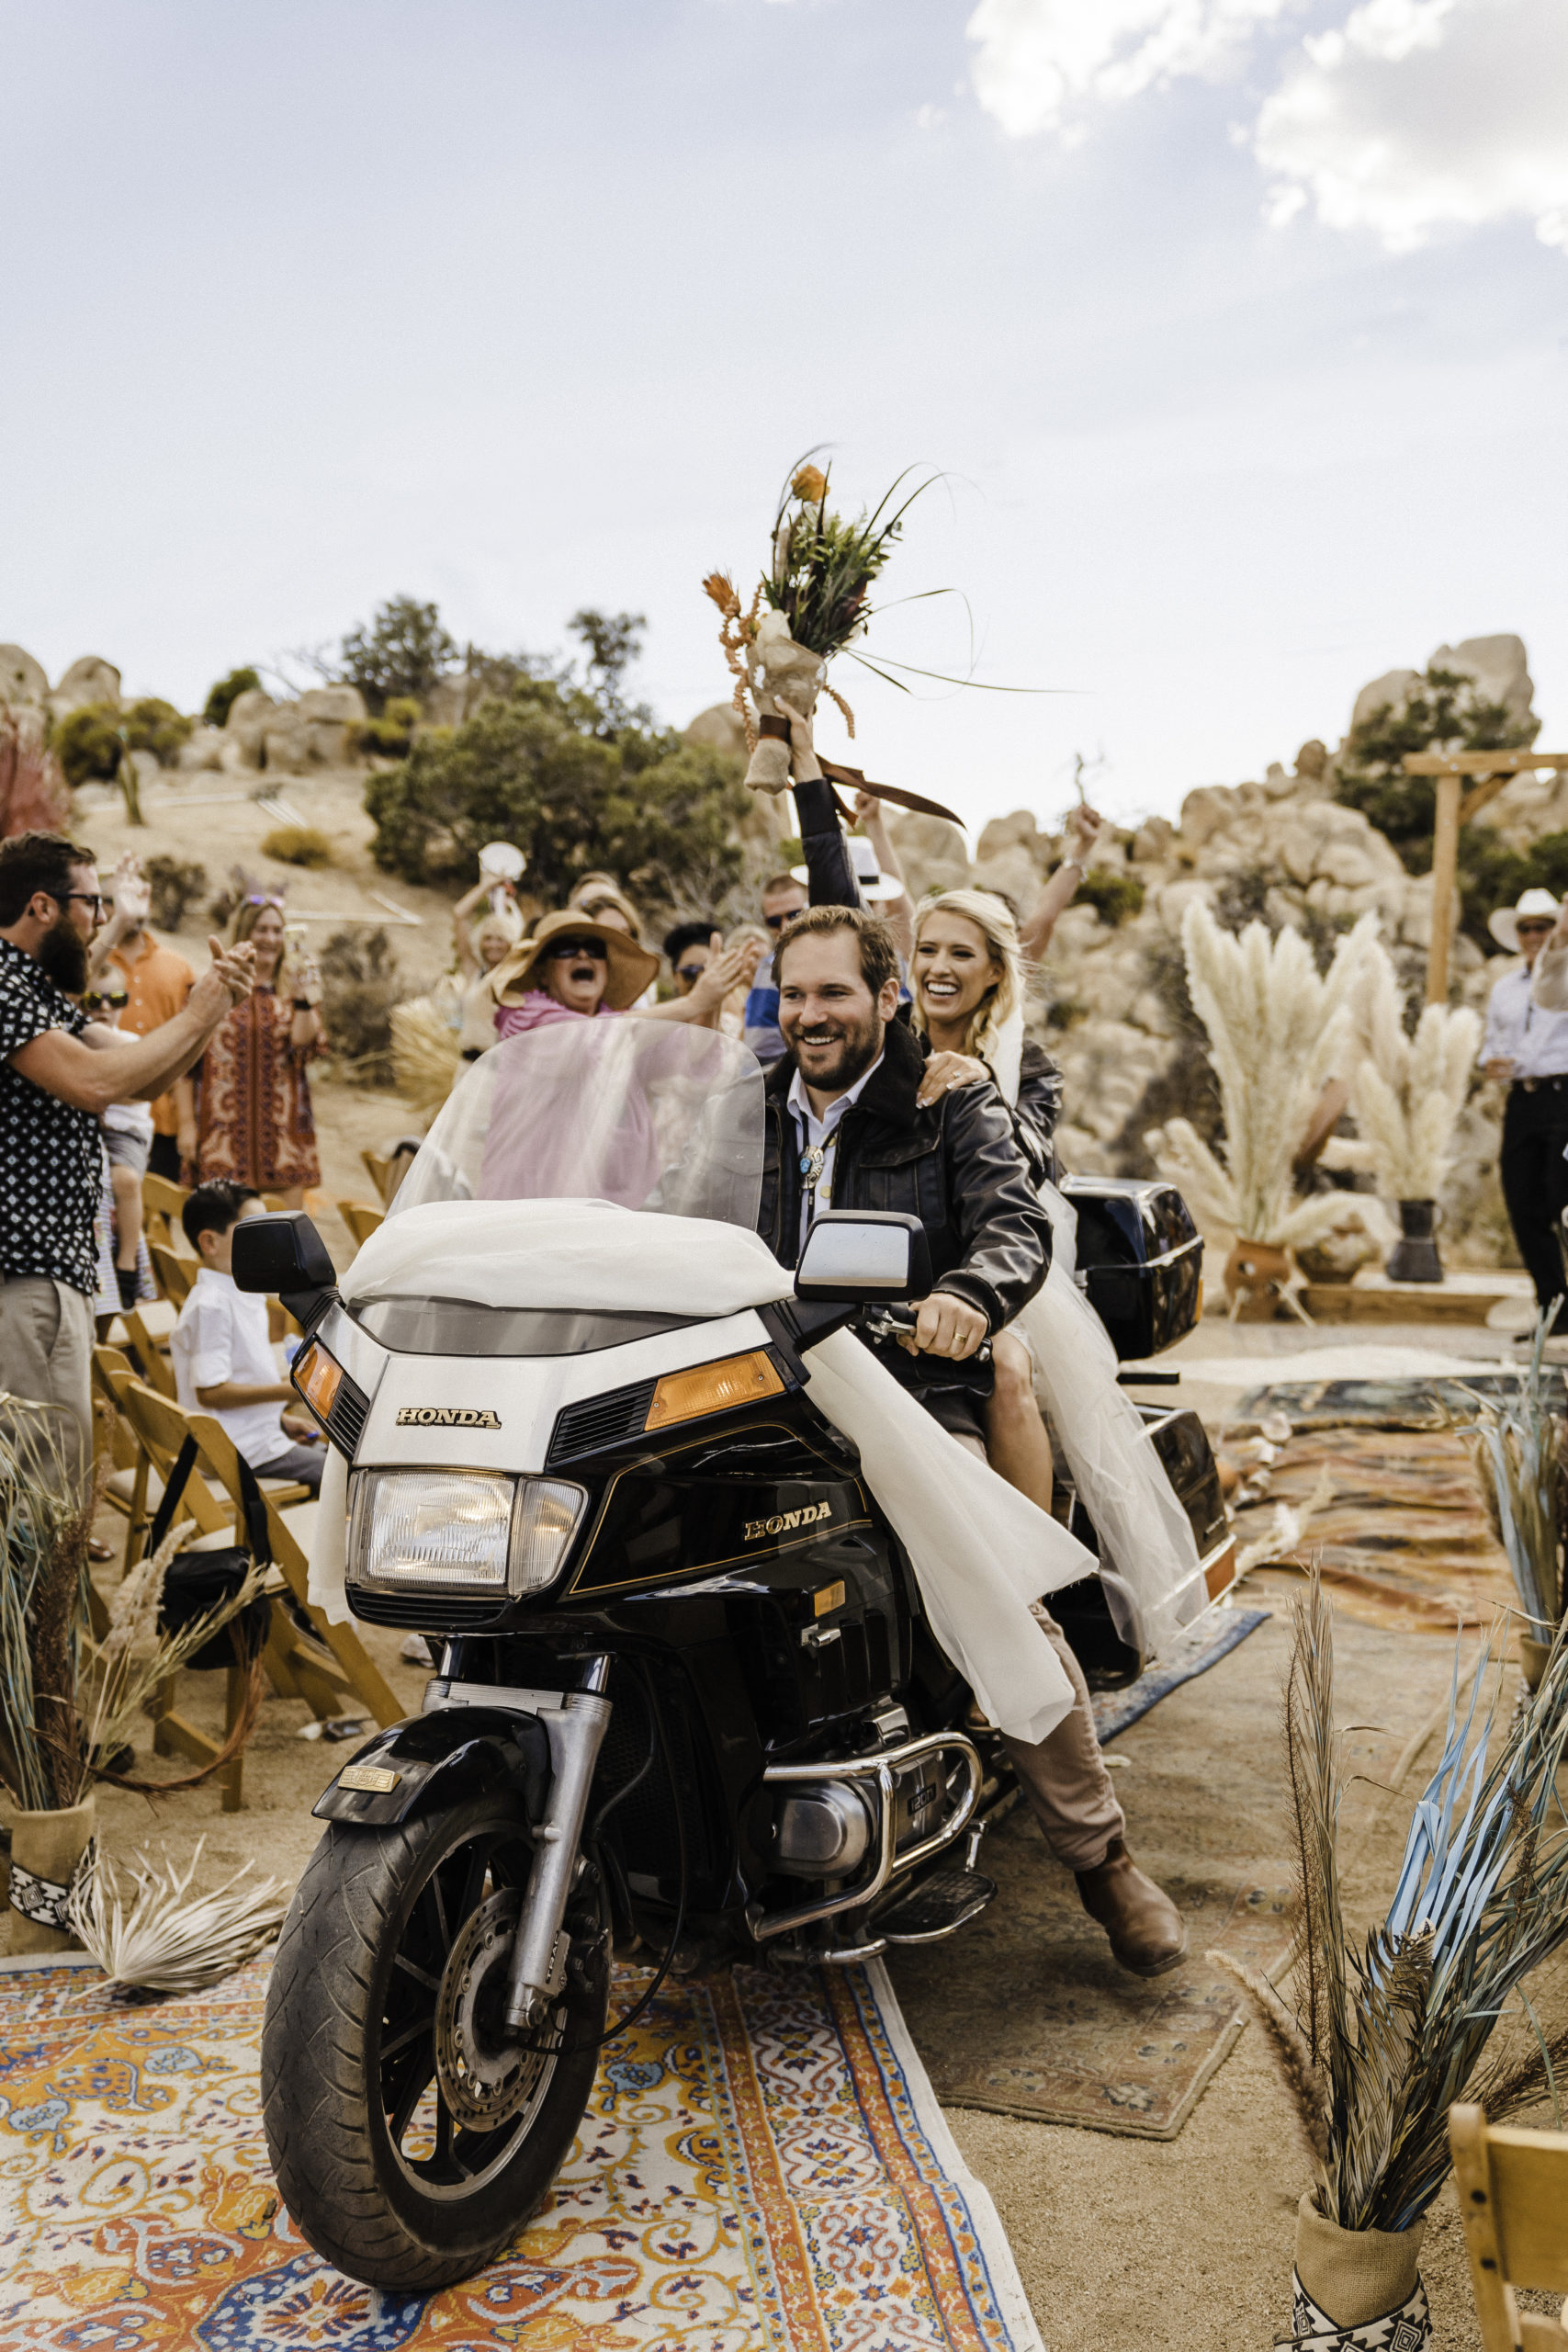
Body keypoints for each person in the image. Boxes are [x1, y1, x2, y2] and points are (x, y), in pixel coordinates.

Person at [759, 899, 1187, 1976]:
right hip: (753, 1390)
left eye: (835, 994)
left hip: (903, 1382)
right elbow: (666, 1215)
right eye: (795, 994)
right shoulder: (746, 1109)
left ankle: (1101, 1856)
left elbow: (1015, 1223)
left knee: (984, 1579)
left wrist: (966, 1293)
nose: (812, 1016)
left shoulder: (945, 1101)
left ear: (885, 996)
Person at [0, 830, 254, 1473]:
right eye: (93, 903)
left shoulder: (33, 991)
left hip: (50, 1269)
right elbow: (94, 1085)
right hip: (24, 1271)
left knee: (53, 1472)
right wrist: (197, 1016)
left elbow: (144, 1078)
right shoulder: (3, 987)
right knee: (45, 1481)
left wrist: (213, 1006)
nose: (102, 921)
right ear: (42, 907)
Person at [171, 1182, 325, 1495]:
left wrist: (279, 1421)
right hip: (240, 1451)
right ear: (210, 1242)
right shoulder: (213, 1304)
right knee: (344, 1475)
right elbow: (211, 1392)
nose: (267, 1242)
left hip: (252, 1438)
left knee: (336, 1458)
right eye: (252, 1232)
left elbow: (235, 1379)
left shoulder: (235, 1294)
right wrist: (294, 1391)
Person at [191, 897, 325, 1207]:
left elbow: (304, 1048)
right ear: (244, 933)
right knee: (230, 1243)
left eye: (278, 930)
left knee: (284, 1239)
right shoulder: (218, 984)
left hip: (284, 1142)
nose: (270, 938)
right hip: (223, 1137)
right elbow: (189, 1066)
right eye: (261, 929)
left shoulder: (295, 990)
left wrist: (304, 999)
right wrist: (186, 1126)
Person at [1480, 888, 1568, 1322]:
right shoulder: (1503, 990)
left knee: (1559, 1196)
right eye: (1526, 927)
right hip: (1523, 1099)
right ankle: (1552, 1305)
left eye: (1543, 926)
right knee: (1522, 1200)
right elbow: (1492, 1043)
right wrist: (1489, 1063)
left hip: (1564, 1095)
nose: (1534, 934)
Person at [88, 852, 198, 1184]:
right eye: (115, 899)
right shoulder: (88, 964)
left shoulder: (178, 967)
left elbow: (184, 1056)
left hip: (161, 1117)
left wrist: (188, 1124)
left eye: (138, 895)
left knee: (158, 1212)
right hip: (103, 1114)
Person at [489, 910, 757, 1037]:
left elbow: (693, 1061)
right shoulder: (525, 1018)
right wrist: (694, 1002)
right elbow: (589, 1035)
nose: (583, 956)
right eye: (566, 949)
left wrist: (712, 1001)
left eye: (594, 949)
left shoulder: (623, 1024)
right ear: (542, 972)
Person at [451, 877, 523, 1059]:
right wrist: (486, 885)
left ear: (511, 943)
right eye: (488, 938)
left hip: (499, 1068)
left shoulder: (516, 976)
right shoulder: (475, 972)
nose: (493, 944)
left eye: (500, 939)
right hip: (467, 1067)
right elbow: (459, 915)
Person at [743, 870, 809, 1060]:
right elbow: (760, 1051)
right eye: (774, 921)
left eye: (795, 914)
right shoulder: (769, 969)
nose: (785, 926)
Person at [662, 920, 767, 1034]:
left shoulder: (731, 1015)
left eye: (709, 970)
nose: (702, 979)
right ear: (674, 976)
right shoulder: (660, 1025)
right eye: (690, 972)